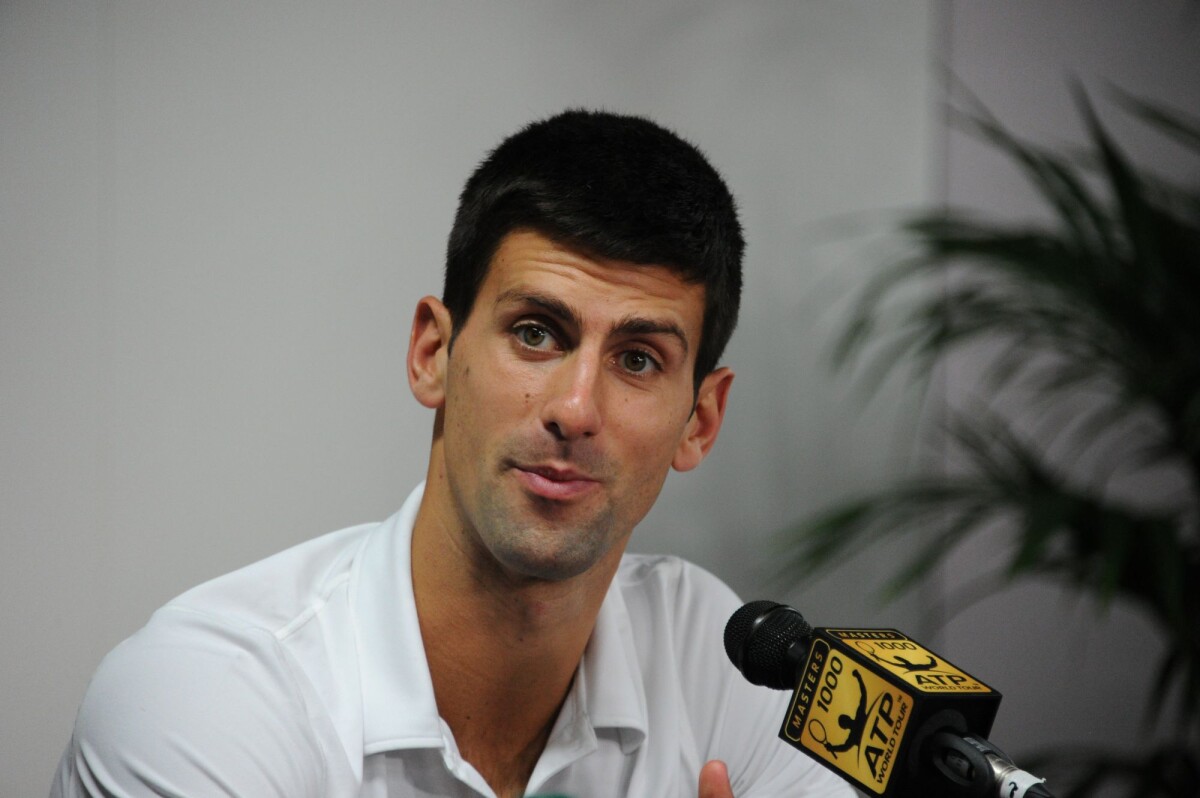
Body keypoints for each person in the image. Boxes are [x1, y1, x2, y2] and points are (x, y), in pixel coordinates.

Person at [52, 110, 853, 798]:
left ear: (700, 422)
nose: (576, 410)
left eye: (638, 359)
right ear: (433, 352)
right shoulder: (204, 697)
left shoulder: (725, 659)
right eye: (536, 333)